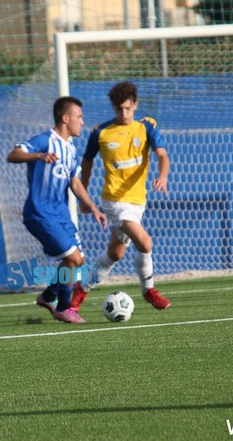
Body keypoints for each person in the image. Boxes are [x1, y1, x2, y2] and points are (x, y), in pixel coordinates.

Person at [7, 96, 107, 324]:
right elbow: (13, 154)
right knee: (73, 258)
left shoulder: (71, 149)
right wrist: (39, 155)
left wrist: (92, 208)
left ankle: (48, 295)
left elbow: (75, 182)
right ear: (65, 118)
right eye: (79, 117)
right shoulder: (45, 140)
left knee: (78, 260)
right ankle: (63, 308)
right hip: (40, 213)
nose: (82, 121)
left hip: (62, 215)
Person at [72, 81, 170, 311]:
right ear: (113, 108)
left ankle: (80, 291)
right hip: (114, 202)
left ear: (135, 105)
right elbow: (87, 161)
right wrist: (83, 195)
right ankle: (149, 291)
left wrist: (162, 175)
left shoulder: (146, 127)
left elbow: (162, 155)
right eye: (119, 109)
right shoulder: (101, 132)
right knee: (145, 242)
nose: (123, 113)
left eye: (127, 108)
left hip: (138, 202)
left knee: (115, 253)